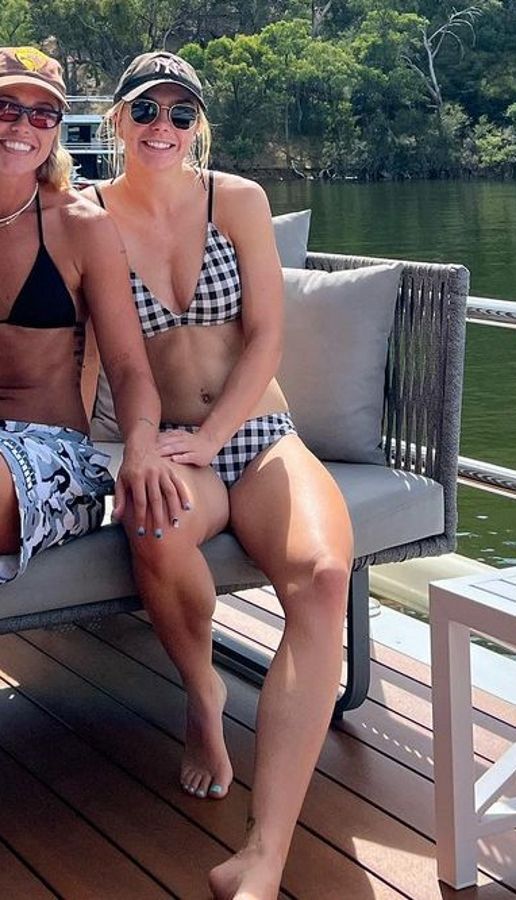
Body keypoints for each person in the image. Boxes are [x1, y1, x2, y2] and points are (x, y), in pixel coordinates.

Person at [87, 50, 354, 900]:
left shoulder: (236, 199)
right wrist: (146, 445)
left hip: (256, 432)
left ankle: (264, 853)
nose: (161, 126)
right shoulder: (92, 217)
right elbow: (117, 361)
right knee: (154, 524)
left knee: (324, 576)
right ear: (118, 120)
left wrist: (215, 435)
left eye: (180, 112)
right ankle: (204, 694)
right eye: (145, 110)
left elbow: (267, 334)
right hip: (169, 442)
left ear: (197, 124)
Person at [0, 46, 187, 586]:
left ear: (56, 129)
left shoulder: (82, 226)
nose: (23, 126)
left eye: (43, 114)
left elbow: (128, 368)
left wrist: (141, 448)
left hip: (51, 456)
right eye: (6, 108)